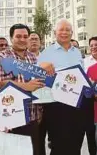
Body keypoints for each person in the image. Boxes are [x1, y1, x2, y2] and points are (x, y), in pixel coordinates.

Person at [0, 24, 54, 155]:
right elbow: (1, 83)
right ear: (11, 38)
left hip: (33, 116)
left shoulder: (33, 58)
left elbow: (40, 84)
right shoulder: (3, 56)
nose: (22, 39)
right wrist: (26, 87)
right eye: (18, 36)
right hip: (12, 117)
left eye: (25, 36)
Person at [37, 19, 88, 155]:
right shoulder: (46, 52)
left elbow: (81, 74)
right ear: (55, 33)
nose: (64, 32)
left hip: (76, 104)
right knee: (58, 144)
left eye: (67, 30)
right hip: (56, 106)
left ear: (72, 33)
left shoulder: (76, 52)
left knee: (76, 142)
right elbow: (37, 76)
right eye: (61, 29)